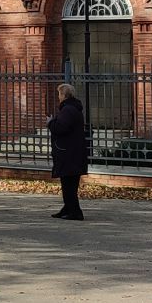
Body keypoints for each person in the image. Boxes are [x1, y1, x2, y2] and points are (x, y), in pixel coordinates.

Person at [47, 81, 89, 221]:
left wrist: (50, 122)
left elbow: (60, 128)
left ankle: (75, 211)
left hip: (68, 152)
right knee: (69, 183)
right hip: (73, 152)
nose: (58, 96)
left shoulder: (68, 110)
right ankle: (68, 208)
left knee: (69, 185)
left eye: (59, 94)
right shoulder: (72, 108)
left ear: (64, 95)